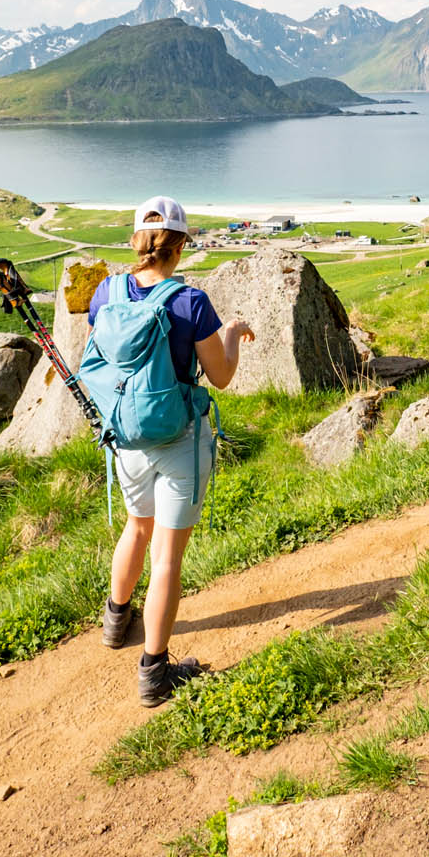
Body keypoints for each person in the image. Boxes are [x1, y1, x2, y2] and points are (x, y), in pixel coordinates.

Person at [90, 195, 254, 706]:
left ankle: (117, 624)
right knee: (167, 556)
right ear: (180, 245)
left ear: (136, 242)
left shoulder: (105, 292)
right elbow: (221, 377)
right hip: (179, 436)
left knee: (136, 528)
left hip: (127, 436)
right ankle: (155, 673)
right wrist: (229, 335)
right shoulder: (190, 302)